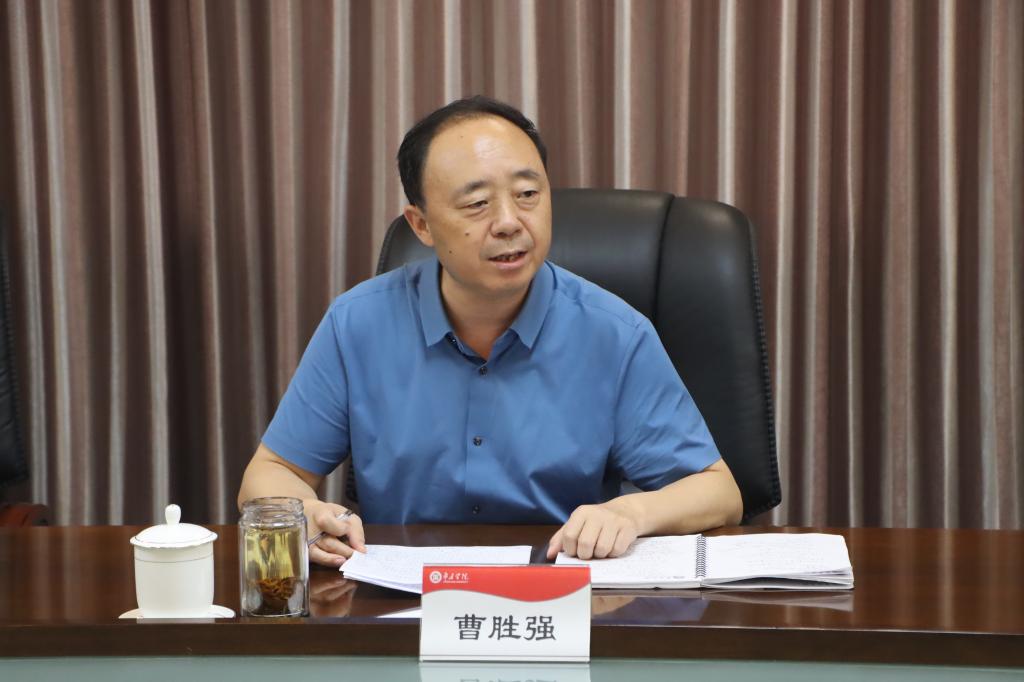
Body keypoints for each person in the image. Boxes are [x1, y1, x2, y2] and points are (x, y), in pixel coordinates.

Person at [238, 96, 742, 568]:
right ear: (421, 225)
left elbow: (718, 492)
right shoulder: (358, 324)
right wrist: (305, 513)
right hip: (402, 599)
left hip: (559, 598)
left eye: (528, 195)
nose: (509, 222)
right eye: (477, 203)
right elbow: (272, 472)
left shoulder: (615, 334)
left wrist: (630, 513)